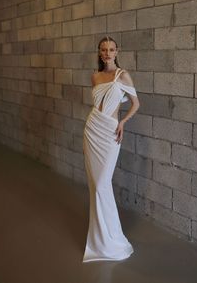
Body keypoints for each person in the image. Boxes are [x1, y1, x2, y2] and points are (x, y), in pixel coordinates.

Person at [82, 36, 140, 263]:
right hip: (92, 130)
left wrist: (122, 123)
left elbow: (136, 103)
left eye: (111, 50)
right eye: (104, 50)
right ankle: (99, 238)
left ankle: (111, 239)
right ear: (99, 53)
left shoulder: (122, 75)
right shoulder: (95, 76)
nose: (107, 53)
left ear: (117, 52)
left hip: (109, 133)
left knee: (102, 185)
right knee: (94, 185)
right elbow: (96, 105)